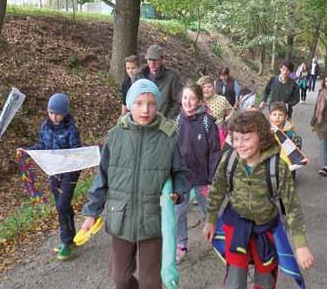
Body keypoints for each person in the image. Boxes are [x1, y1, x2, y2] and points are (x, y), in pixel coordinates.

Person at [81, 79, 189, 289]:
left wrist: (177, 192)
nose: (145, 110)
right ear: (130, 104)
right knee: (120, 278)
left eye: (151, 103)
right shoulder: (116, 136)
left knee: (150, 282)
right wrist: (91, 213)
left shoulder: (168, 137)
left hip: (153, 219)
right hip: (121, 217)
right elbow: (101, 177)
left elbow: (181, 173)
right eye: (139, 103)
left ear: (157, 105)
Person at [203, 110, 314, 288]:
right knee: (234, 280)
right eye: (236, 138)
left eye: (246, 139)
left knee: (265, 280)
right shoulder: (230, 159)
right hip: (236, 227)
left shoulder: (277, 166)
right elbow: (217, 189)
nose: (240, 144)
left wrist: (300, 245)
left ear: (262, 137)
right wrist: (210, 219)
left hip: (266, 230)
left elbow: (292, 205)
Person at [26, 93, 81, 260]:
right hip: (53, 172)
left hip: (69, 173)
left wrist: (67, 158)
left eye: (57, 113)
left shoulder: (71, 128)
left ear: (65, 113)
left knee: (62, 205)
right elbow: (42, 145)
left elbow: (76, 151)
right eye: (51, 112)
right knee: (62, 205)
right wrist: (28, 151)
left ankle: (65, 241)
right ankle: (70, 237)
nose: (54, 116)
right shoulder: (45, 126)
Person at [175, 82, 222, 263]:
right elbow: (172, 150)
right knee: (179, 213)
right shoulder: (176, 121)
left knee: (209, 211)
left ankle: (218, 239)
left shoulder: (207, 122)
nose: (188, 101)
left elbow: (215, 152)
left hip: (203, 178)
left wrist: (211, 179)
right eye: (185, 97)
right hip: (182, 179)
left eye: (192, 98)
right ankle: (181, 244)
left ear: (200, 100)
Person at [136, 44, 182, 118]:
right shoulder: (140, 75)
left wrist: (167, 119)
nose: (152, 63)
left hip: (162, 123)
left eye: (155, 60)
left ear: (162, 59)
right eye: (149, 59)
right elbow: (134, 99)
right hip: (142, 119)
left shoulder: (172, 77)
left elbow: (178, 101)